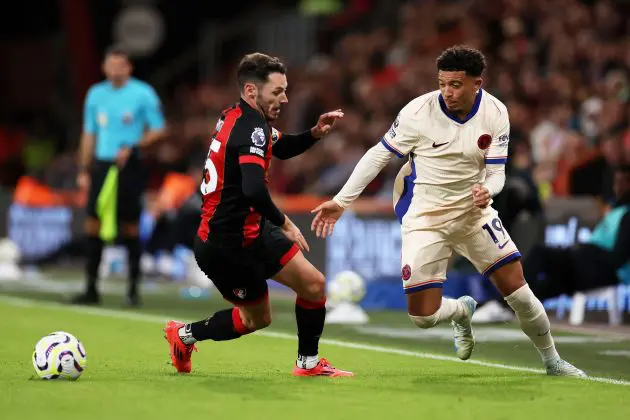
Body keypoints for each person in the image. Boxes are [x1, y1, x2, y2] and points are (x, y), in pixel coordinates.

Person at [311, 45, 585, 377]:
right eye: (442, 83)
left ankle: (553, 361)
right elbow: (378, 156)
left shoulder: (496, 113)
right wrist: (341, 201)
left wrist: (489, 189)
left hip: (473, 213)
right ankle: (460, 310)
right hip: (425, 218)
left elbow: (497, 171)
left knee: (519, 291)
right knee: (422, 318)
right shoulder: (418, 112)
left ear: (477, 84)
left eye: (456, 84)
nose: (447, 92)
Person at [163, 53, 352, 377]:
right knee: (257, 319)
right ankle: (183, 335)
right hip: (225, 245)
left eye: (285, 90)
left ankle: (307, 363)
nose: (285, 98)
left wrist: (315, 133)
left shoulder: (238, 117)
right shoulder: (252, 128)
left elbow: (280, 147)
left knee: (313, 284)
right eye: (277, 91)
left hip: (252, 229)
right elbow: (253, 189)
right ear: (252, 91)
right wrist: (286, 223)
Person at [72, 45, 166, 307]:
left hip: (129, 167)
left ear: (128, 68)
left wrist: (135, 144)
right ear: (104, 67)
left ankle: (133, 290)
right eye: (110, 65)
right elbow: (89, 133)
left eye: (120, 65)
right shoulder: (95, 94)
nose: (115, 70)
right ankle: (91, 288)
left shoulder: (142, 93)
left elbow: (158, 129)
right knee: (93, 222)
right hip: (102, 165)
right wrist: (83, 169)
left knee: (129, 225)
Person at [524, 164, 630, 299]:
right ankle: (512, 305)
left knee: (541, 256)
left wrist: (588, 252)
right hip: (588, 264)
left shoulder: (627, 215)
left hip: (604, 271)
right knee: (547, 278)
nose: (619, 187)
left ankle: (508, 304)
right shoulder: (615, 211)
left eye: (624, 183)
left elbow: (618, 258)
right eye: (617, 182)